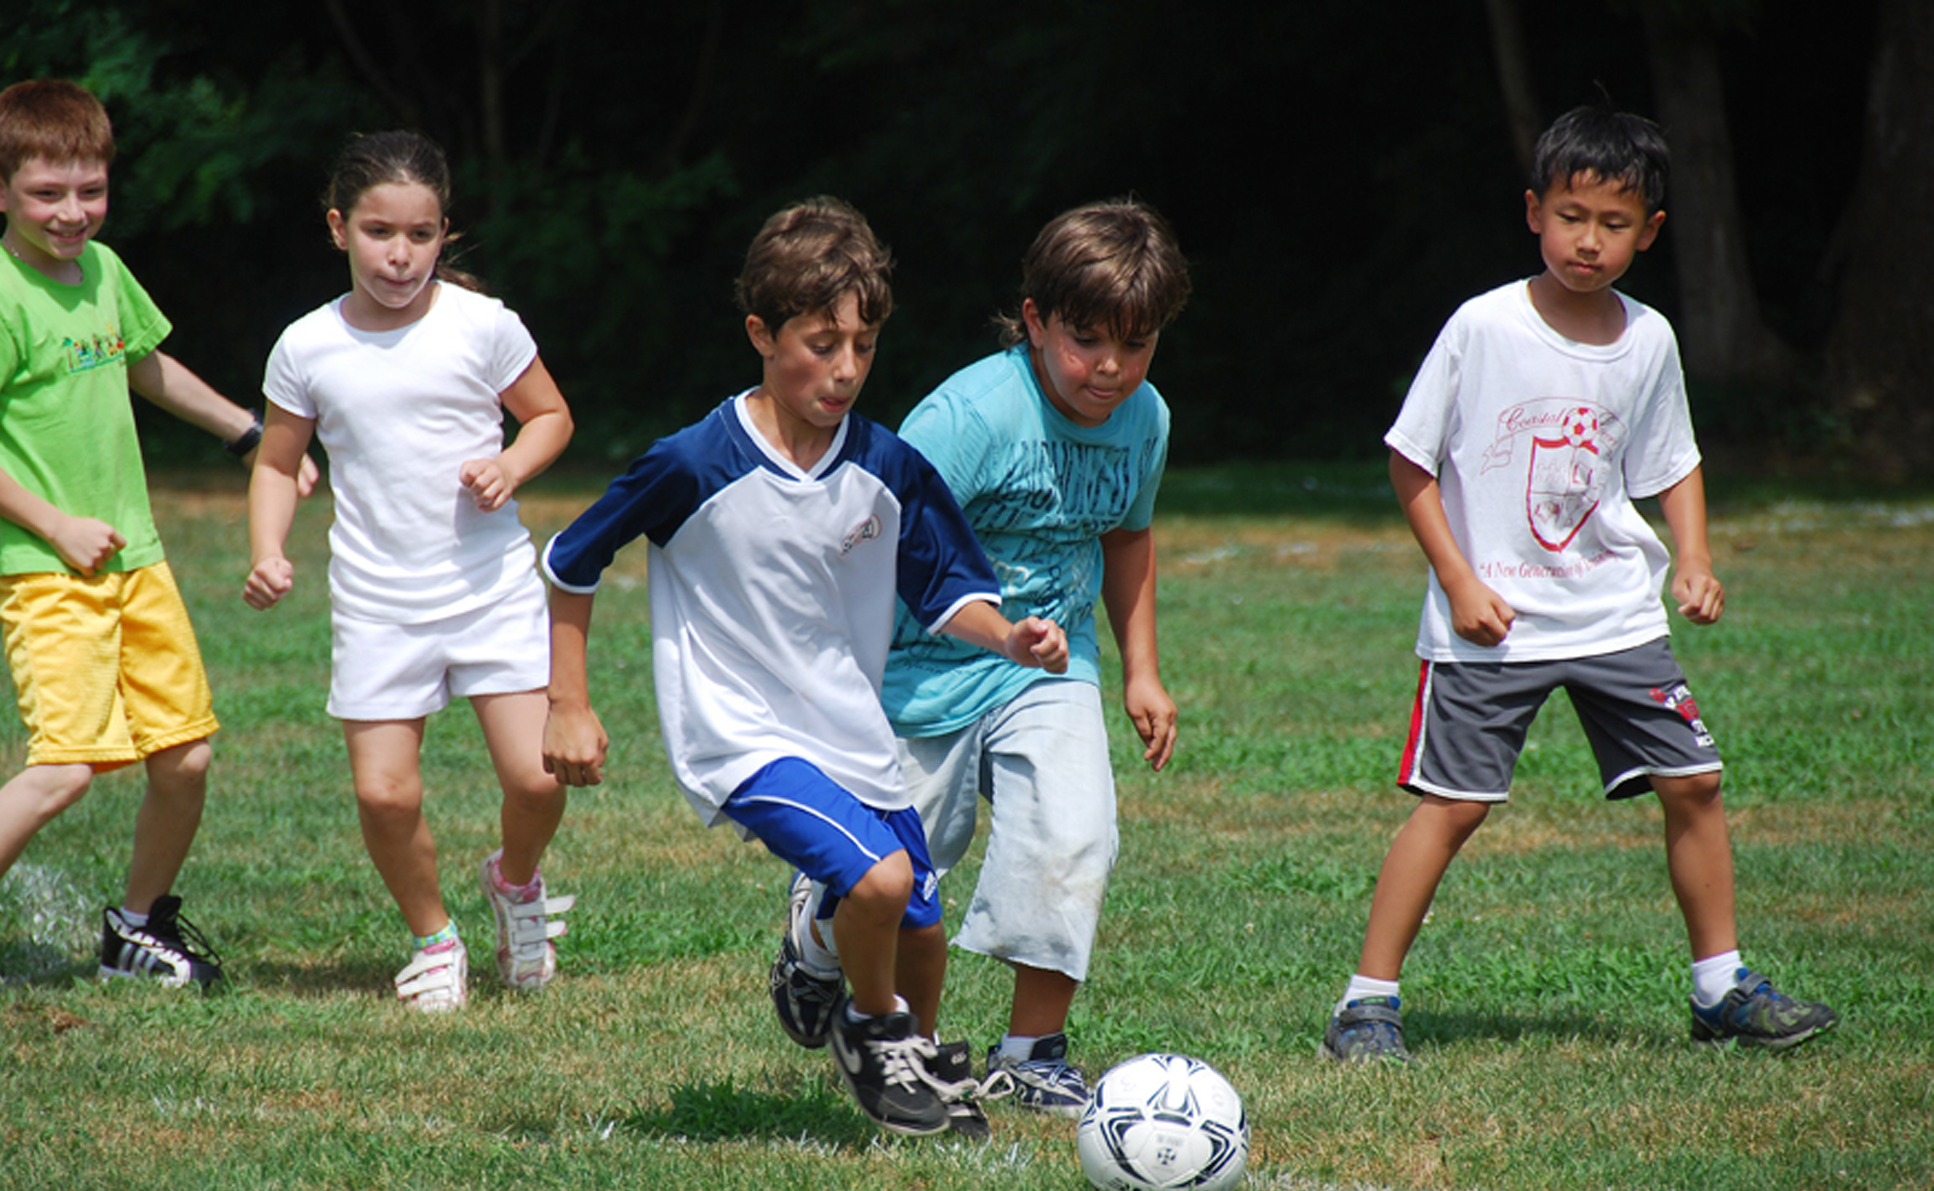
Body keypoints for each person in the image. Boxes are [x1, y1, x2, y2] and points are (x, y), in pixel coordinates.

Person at [539, 198, 1069, 1137]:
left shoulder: (886, 466)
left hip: (849, 732)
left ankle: (890, 1032)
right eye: (822, 344)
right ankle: (872, 1033)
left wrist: (1010, 637)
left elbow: (946, 587)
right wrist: (567, 704)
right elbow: (571, 561)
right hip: (738, 732)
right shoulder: (695, 462)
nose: (846, 370)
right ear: (760, 333)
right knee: (878, 882)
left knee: (923, 931)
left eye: (863, 346)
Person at [1319, 105, 1837, 1063]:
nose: (1587, 241)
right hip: (1494, 623)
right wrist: (1459, 579)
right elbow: (1410, 460)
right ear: (1532, 212)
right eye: (1569, 215)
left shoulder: (1649, 341)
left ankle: (1719, 988)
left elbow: (1671, 463)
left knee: (1695, 779)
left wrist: (1693, 557)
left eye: (1612, 223)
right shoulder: (1483, 325)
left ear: (1651, 233)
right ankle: (1364, 1006)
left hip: (1613, 611)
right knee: (1456, 804)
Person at [784, 199, 1192, 1116]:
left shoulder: (1145, 418)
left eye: (1138, 343)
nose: (1113, 368)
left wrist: (1140, 668)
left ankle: (1032, 1050)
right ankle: (816, 939)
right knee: (898, 865)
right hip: (916, 672)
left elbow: (1129, 535)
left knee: (1074, 828)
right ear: (1037, 320)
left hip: (1047, 665)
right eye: (1088, 341)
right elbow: (867, 537)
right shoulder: (971, 416)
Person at [0, 79, 274, 1004]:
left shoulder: (102, 272)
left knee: (185, 753)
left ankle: (137, 928)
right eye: (47, 194)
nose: (72, 213)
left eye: (90, 191)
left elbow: (145, 364)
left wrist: (250, 433)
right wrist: (56, 523)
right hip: (47, 568)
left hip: (136, 557)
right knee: (64, 768)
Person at [244, 131, 575, 1013]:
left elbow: (549, 417)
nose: (400, 254)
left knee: (537, 778)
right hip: (379, 600)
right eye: (379, 232)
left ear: (444, 234)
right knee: (383, 793)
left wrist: (512, 465)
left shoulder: (484, 324)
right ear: (338, 228)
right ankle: (436, 939)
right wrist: (268, 550)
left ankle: (515, 883)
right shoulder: (307, 345)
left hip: (489, 587)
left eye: (421, 235)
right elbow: (279, 463)